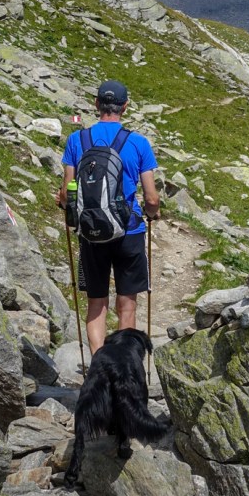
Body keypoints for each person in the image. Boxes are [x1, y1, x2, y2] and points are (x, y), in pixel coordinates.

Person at [56, 80, 159, 355]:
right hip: (130, 232)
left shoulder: (77, 140)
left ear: (96, 104)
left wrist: (65, 205)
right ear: (125, 107)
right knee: (127, 303)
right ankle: (125, 367)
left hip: (91, 233)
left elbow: (67, 194)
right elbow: (151, 198)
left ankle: (99, 368)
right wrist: (153, 214)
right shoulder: (137, 142)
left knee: (96, 303)